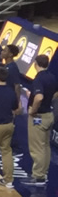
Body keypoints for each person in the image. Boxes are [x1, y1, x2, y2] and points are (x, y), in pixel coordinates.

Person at [28, 53, 56, 185]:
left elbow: (39, 97)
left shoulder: (39, 79)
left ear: (35, 64)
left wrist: (33, 110)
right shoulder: (52, 77)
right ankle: (43, 174)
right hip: (49, 115)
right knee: (45, 146)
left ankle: (38, 176)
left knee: (37, 148)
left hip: (38, 117)